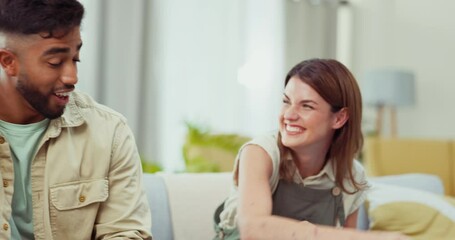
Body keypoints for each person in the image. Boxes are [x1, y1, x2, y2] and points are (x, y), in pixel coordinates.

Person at [0, 0, 152, 239]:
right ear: (8, 62)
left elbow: (125, 232)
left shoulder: (109, 132)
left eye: (76, 58)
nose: (72, 77)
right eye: (55, 63)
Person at [213, 59, 409, 240]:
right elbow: (253, 229)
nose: (288, 115)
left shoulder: (352, 176)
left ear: (339, 118)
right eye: (286, 101)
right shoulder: (260, 153)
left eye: (306, 106)